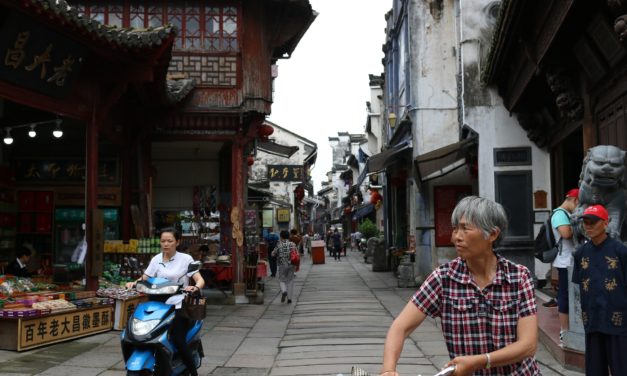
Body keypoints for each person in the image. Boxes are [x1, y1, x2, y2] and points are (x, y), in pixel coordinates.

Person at [381, 196, 539, 375]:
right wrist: (388, 369)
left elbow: (528, 345)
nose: (456, 237)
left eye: (465, 229)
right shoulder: (443, 278)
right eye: (455, 229)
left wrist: (480, 362)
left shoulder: (518, 277)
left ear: (493, 235)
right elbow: (400, 327)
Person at [125, 227, 205, 376]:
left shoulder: (186, 259)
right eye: (163, 241)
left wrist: (195, 288)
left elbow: (199, 279)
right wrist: (133, 283)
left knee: (179, 339)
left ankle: (193, 373)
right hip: (157, 303)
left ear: (177, 242)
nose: (166, 244)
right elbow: (145, 278)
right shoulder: (156, 259)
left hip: (178, 303)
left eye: (170, 241)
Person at [573, 204, 627, 375]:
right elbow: (578, 283)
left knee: (621, 368)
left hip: (618, 320)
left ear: (605, 223)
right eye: (585, 222)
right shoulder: (581, 253)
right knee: (595, 370)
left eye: (593, 222)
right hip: (593, 319)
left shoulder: (621, 251)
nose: (588, 226)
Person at [549, 188, 579, 344]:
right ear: (574, 200)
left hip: (571, 261)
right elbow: (566, 234)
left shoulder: (567, 214)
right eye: (579, 204)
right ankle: (564, 330)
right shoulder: (560, 214)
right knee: (565, 296)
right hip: (565, 262)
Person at [272, 230, 296, 304]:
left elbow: (273, 254)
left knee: (282, 279)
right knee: (290, 280)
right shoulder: (292, 244)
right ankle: (289, 298)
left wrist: (274, 254)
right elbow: (296, 253)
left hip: (282, 264)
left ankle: (284, 291)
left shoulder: (279, 244)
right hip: (291, 264)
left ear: (281, 236)